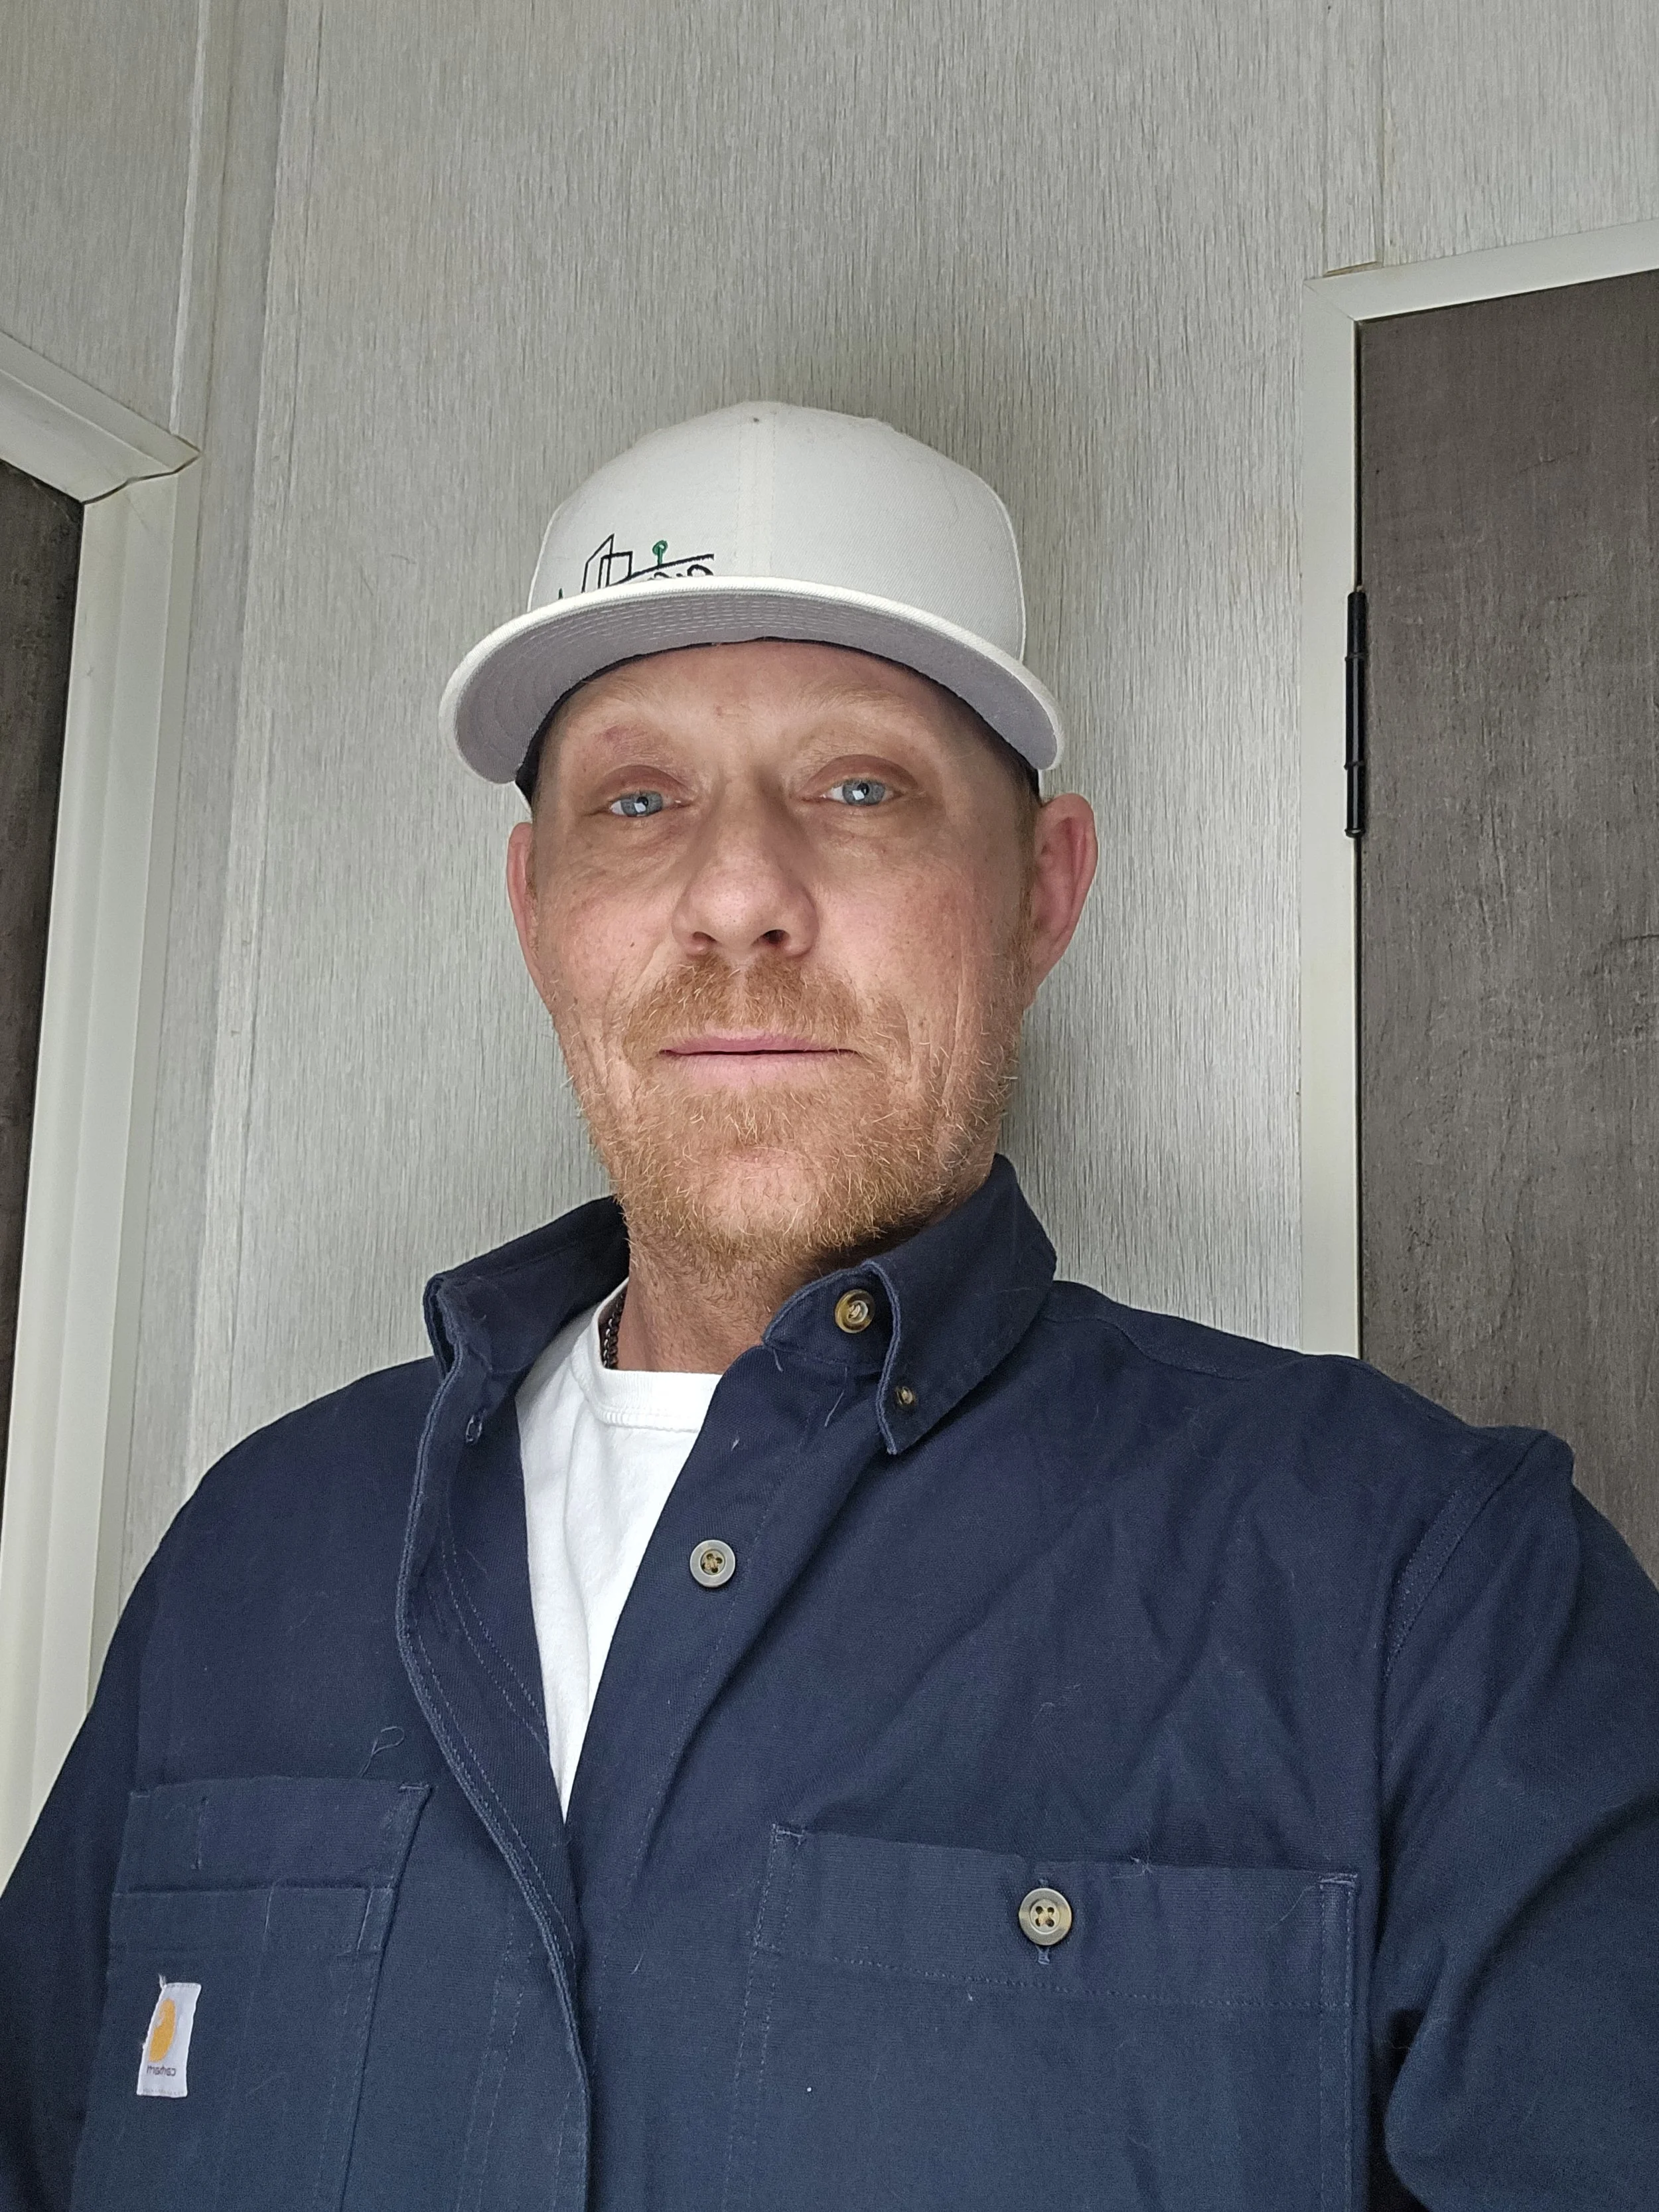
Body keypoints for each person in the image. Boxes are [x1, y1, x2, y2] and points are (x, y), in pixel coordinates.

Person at [2, 400, 1656, 2212]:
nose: (734, 896)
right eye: (636, 802)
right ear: (533, 902)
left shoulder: (1431, 1587)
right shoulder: (256, 1553)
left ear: (1040, 894)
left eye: (856, 788)